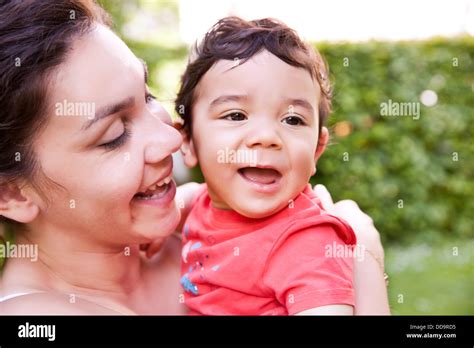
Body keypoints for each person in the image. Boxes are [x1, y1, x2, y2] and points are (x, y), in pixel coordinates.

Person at [0, 0, 389, 315]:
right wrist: (365, 259)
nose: (170, 136)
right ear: (11, 193)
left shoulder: (200, 232)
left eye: (149, 97)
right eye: (114, 136)